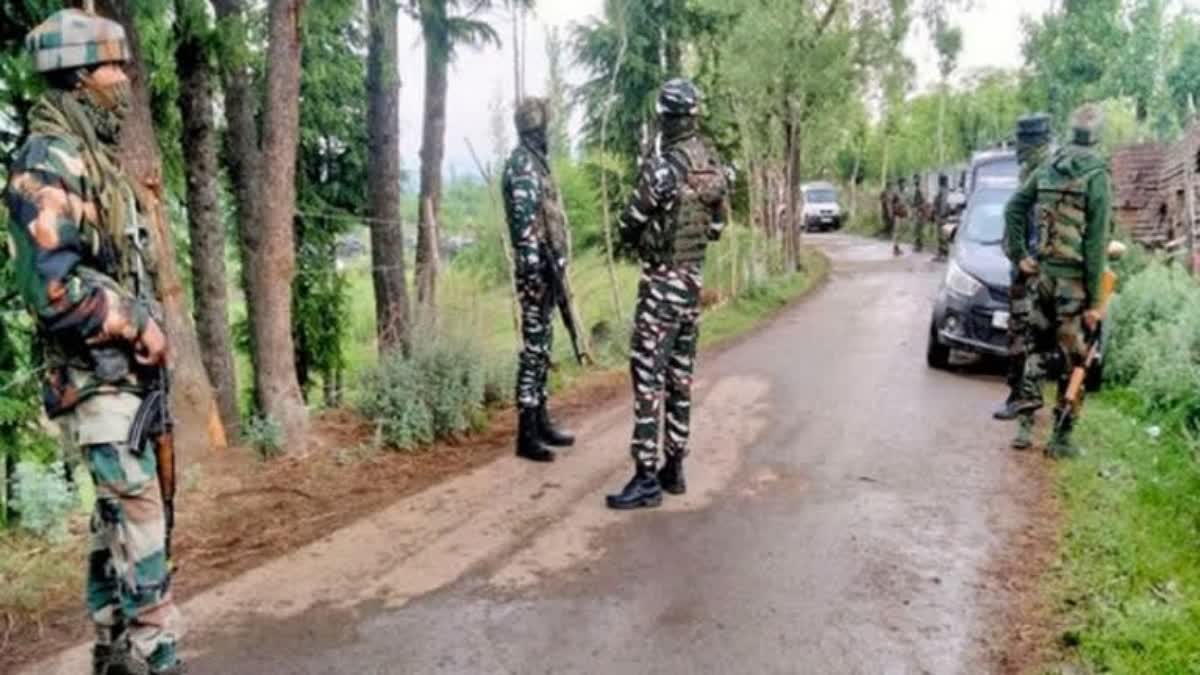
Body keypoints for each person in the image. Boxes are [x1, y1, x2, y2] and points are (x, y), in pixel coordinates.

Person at [4, 9, 184, 674]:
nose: (125, 81)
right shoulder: (48, 159)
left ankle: (115, 655)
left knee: (119, 531)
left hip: (122, 389)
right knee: (144, 541)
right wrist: (138, 322)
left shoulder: (88, 158)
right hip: (98, 382)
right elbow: (53, 290)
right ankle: (154, 656)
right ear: (81, 78)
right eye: (115, 68)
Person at [606, 79, 728, 510]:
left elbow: (629, 222)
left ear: (668, 118)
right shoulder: (711, 166)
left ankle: (645, 477)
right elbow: (715, 229)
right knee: (680, 377)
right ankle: (674, 469)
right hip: (692, 283)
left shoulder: (663, 169)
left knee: (648, 378)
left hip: (661, 284)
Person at [1003, 104, 1112, 458]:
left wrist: (1021, 254)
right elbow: (1095, 246)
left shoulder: (1048, 168)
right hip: (1074, 286)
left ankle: (1023, 429)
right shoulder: (1097, 177)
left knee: (1034, 349)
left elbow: (1014, 208)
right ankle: (1060, 438)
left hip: (1043, 279)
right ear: (1097, 136)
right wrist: (1095, 303)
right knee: (1075, 359)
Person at [501, 97, 576, 463]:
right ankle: (526, 432)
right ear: (535, 129)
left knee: (544, 346)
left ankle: (542, 419)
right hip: (537, 274)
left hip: (547, 271)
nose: (546, 133)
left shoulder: (535, 163)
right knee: (533, 351)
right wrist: (534, 273)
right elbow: (526, 227)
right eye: (543, 127)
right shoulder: (523, 166)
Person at [996, 113, 1054, 427]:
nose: (1019, 147)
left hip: (1038, 271)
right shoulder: (1027, 172)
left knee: (1032, 337)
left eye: (1024, 141)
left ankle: (1026, 404)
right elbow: (1015, 217)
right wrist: (1017, 255)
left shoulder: (1047, 172)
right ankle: (1017, 396)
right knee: (1020, 334)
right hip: (1022, 271)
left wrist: (1027, 257)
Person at [932, 173, 951, 261]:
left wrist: (938, 215)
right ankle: (943, 254)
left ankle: (942, 254)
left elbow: (940, 204)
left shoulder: (942, 191)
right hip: (946, 216)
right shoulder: (948, 191)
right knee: (945, 236)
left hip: (941, 216)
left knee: (941, 236)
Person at [891, 176, 908, 256]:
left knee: (901, 231)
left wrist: (906, 211)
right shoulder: (896, 192)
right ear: (900, 183)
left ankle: (897, 246)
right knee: (897, 231)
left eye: (905, 183)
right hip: (897, 214)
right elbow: (892, 203)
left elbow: (906, 203)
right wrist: (894, 210)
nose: (904, 184)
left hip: (902, 214)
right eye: (903, 183)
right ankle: (895, 248)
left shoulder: (904, 192)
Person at [911, 173, 928, 252]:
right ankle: (918, 245)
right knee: (917, 229)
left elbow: (924, 201)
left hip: (920, 211)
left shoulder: (921, 189)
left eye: (916, 179)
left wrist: (920, 210)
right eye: (914, 179)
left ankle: (919, 245)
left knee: (919, 229)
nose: (915, 180)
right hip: (917, 211)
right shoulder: (916, 189)